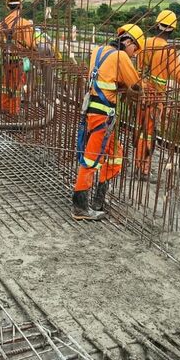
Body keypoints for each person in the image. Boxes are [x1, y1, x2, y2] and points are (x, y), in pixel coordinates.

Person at [72, 24, 145, 220]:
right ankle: (80, 207)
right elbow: (136, 86)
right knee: (91, 160)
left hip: (94, 112)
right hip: (102, 115)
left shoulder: (98, 51)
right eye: (135, 50)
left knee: (115, 154)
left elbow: (108, 78)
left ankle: (98, 199)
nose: (134, 55)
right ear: (129, 42)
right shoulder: (121, 57)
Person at [134, 9, 180, 179]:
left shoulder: (145, 43)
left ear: (157, 25)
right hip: (155, 97)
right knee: (149, 133)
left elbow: (138, 68)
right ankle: (143, 169)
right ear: (172, 29)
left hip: (141, 93)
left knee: (140, 129)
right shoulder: (169, 50)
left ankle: (138, 164)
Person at [0, 0, 33, 115]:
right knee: (16, 86)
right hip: (18, 60)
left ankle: (5, 108)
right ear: (21, 6)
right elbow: (30, 43)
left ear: (8, 7)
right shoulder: (24, 23)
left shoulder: (2, 23)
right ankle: (13, 112)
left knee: (6, 85)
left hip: (6, 59)